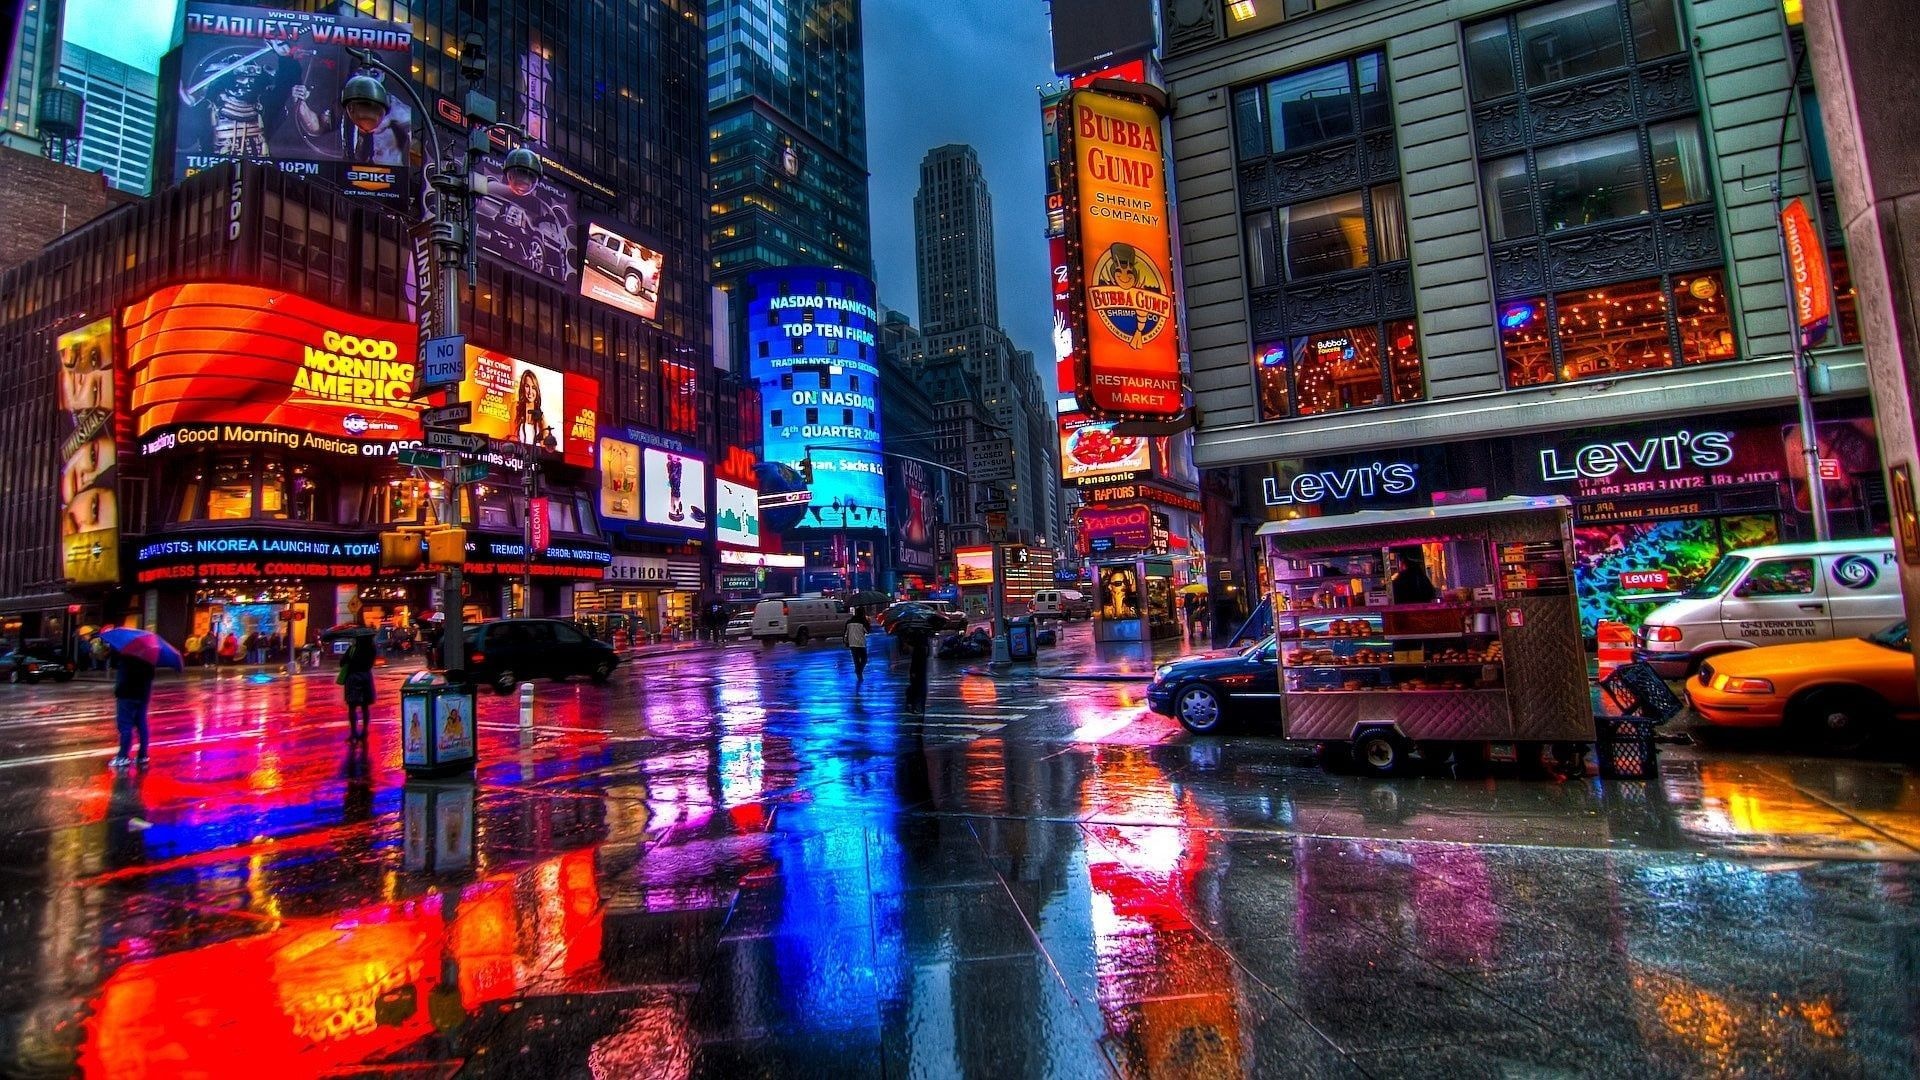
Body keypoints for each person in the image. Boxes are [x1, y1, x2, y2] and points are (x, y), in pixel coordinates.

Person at [108, 646, 155, 769]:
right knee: (142, 725)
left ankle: (123, 756)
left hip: (127, 695)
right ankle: (142, 755)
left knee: (125, 726)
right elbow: (151, 677)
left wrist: (118, 692)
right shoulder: (148, 660)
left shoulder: (126, 658)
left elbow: (122, 679)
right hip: (142, 696)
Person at [340, 635, 377, 742]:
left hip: (353, 678)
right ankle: (364, 731)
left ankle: (353, 733)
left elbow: (342, 663)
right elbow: (371, 663)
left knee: (352, 707)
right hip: (366, 677)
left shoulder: (353, 649)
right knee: (365, 706)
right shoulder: (371, 648)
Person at [901, 623, 931, 715]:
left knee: (917, 686)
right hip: (918, 667)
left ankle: (913, 704)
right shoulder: (919, 640)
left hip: (920, 667)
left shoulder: (919, 637)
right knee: (916, 687)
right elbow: (916, 657)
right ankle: (913, 704)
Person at [846, 612, 870, 683]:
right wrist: (867, 622)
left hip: (852, 644)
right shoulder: (862, 622)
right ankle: (859, 670)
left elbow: (846, 633)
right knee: (864, 659)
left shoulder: (849, 622)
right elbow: (867, 631)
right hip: (861, 643)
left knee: (856, 660)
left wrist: (846, 642)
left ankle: (858, 671)